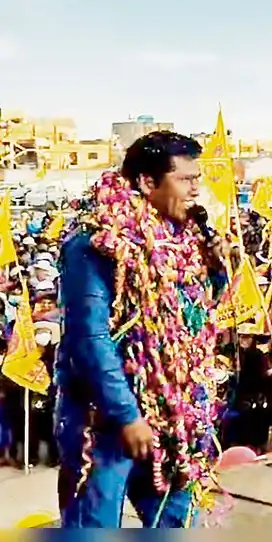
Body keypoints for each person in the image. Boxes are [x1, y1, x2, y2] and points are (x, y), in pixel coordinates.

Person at [56, 131, 229, 528]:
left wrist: (216, 269)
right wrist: (127, 415)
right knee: (94, 525)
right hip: (106, 422)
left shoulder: (184, 241)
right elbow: (91, 339)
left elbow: (195, 316)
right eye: (185, 180)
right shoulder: (98, 243)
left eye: (197, 179)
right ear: (147, 183)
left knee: (172, 520)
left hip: (173, 415)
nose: (196, 190)